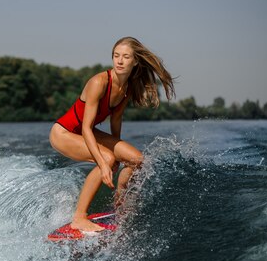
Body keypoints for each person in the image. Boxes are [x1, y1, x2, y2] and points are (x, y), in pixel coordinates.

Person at [49, 37, 175, 232]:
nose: (119, 61)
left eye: (126, 57)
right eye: (116, 56)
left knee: (137, 159)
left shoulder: (128, 87)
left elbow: (115, 120)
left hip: (85, 131)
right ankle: (79, 218)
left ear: (135, 61)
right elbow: (86, 128)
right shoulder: (99, 82)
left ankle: (120, 202)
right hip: (64, 132)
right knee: (107, 159)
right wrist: (104, 160)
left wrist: (119, 150)